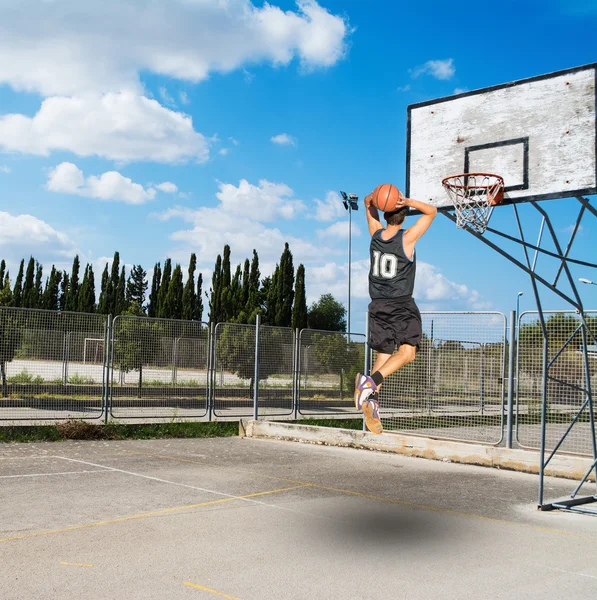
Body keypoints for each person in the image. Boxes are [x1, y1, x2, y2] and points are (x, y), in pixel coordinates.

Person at [355, 189, 437, 434]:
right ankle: (369, 384)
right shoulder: (407, 238)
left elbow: (367, 203)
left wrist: (373, 198)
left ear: (385, 212)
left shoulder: (375, 236)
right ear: (403, 215)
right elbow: (432, 211)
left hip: (377, 304)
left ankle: (372, 404)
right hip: (400, 305)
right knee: (408, 352)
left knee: (383, 358)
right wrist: (409, 200)